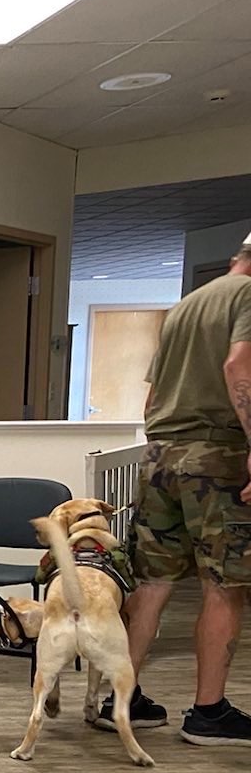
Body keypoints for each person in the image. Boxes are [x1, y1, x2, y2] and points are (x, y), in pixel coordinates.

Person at [105, 234, 251, 746]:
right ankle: (209, 712)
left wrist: (163, 443)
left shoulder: (188, 306)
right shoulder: (248, 297)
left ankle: (120, 698)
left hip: (161, 455)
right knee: (225, 584)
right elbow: (239, 366)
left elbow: (152, 396)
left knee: (151, 582)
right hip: (217, 456)